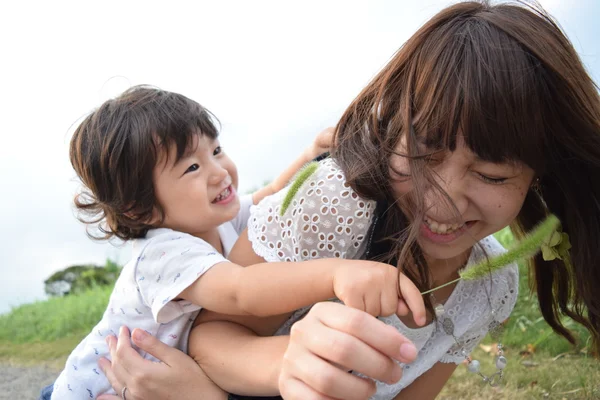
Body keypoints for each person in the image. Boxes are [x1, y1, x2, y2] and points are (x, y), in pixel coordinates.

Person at [98, 1, 600, 399]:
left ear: (538, 177)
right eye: (422, 154)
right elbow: (209, 336)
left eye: (490, 175)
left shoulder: (492, 285)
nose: (443, 203)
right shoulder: (335, 204)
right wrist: (284, 364)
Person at [44, 86, 426, 400]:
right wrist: (339, 272)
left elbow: (273, 193)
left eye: (215, 151)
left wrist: (311, 156)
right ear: (141, 210)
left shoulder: (219, 220)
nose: (218, 172)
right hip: (91, 388)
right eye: (192, 168)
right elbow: (243, 291)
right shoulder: (162, 253)